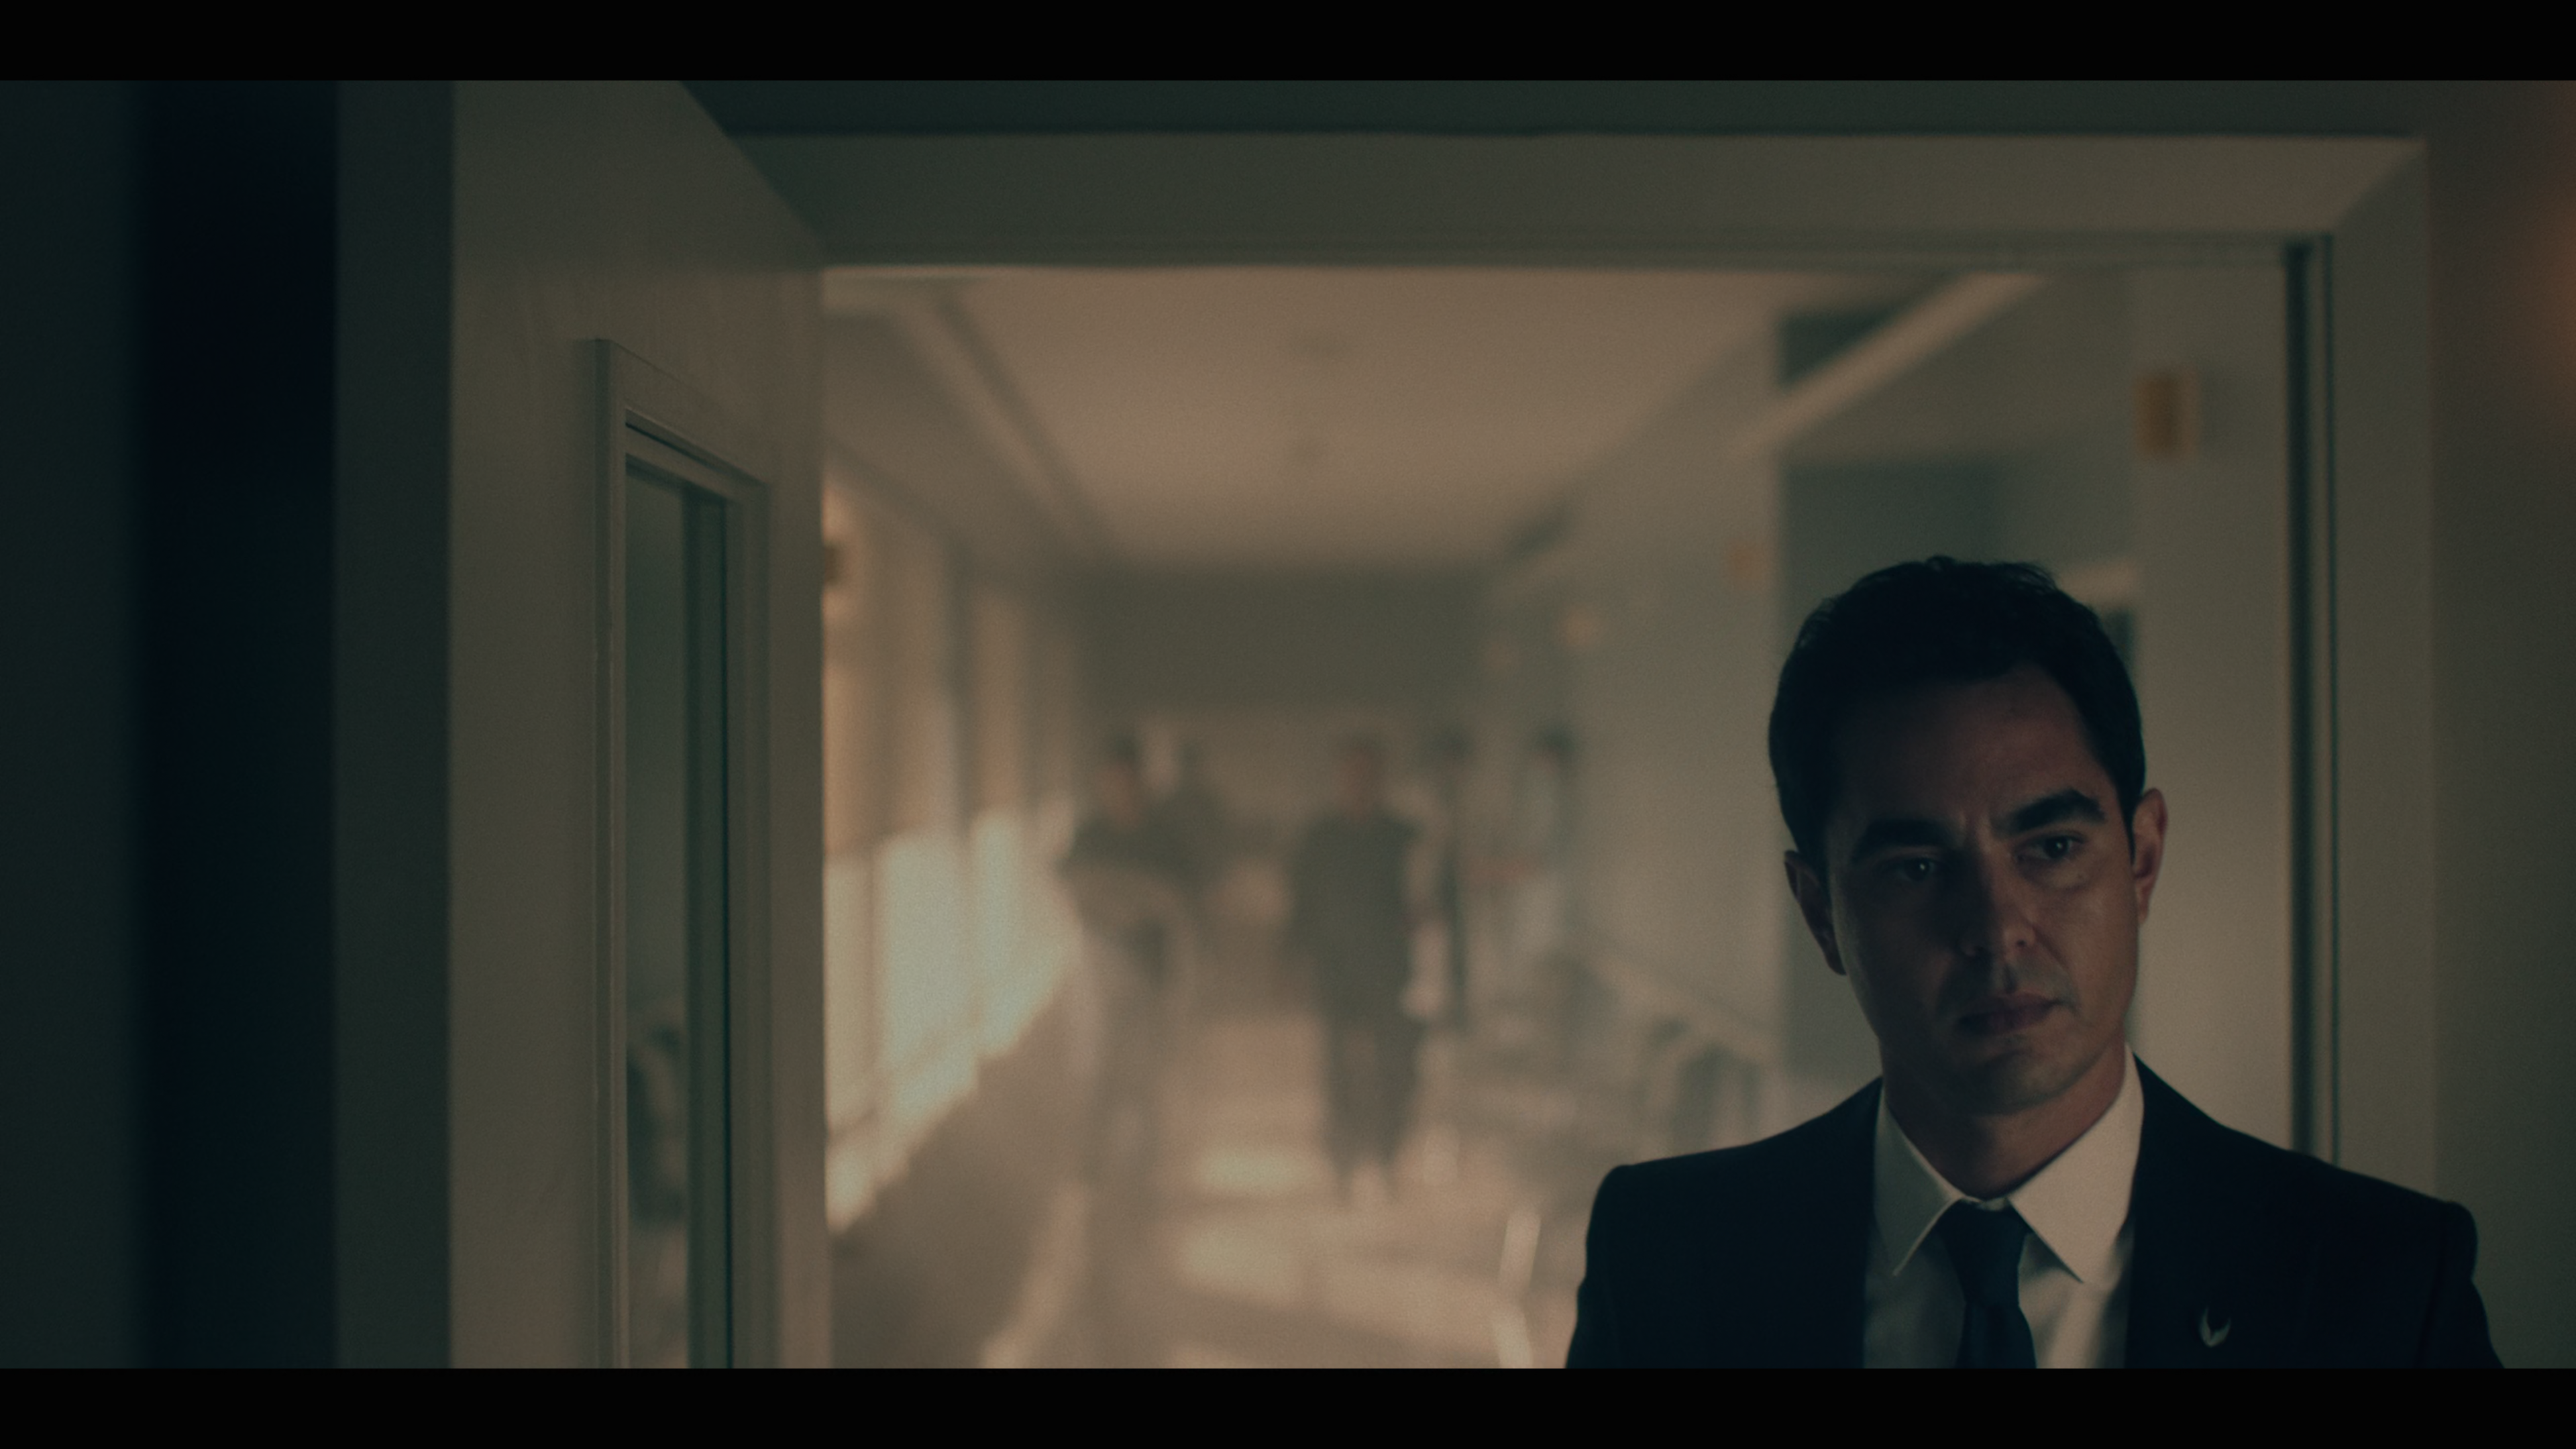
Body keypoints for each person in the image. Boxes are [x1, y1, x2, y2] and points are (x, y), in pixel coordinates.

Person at [1567, 559, 2498, 1367]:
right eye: (1917, 868)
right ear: (1820, 913)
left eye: (2052, 849)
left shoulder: (2377, 1282)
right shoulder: (1667, 1260)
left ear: (2142, 860)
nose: (1997, 927)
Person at [1287, 737, 1427, 1201]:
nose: (1359, 782)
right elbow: (1301, 903)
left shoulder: (1403, 837)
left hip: (1391, 971)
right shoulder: (1319, 837)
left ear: (1381, 779)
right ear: (1339, 778)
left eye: (1368, 773)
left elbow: (1424, 904)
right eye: (1351, 773)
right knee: (1338, 1072)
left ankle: (1385, 1158)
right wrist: (1293, 959)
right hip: (1335, 970)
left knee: (1394, 1070)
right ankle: (1342, 1163)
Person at [1058, 737, 1195, 1199]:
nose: (1122, 792)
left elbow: (1181, 904)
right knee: (1097, 1071)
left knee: (1144, 1077)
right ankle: (1090, 1173)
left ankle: (1141, 1177)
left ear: (1142, 783)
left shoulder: (1164, 841)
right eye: (1113, 784)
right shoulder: (1090, 837)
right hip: (1100, 976)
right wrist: (1125, 905)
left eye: (1129, 783)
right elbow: (1072, 890)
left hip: (1152, 975)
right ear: (1103, 784)